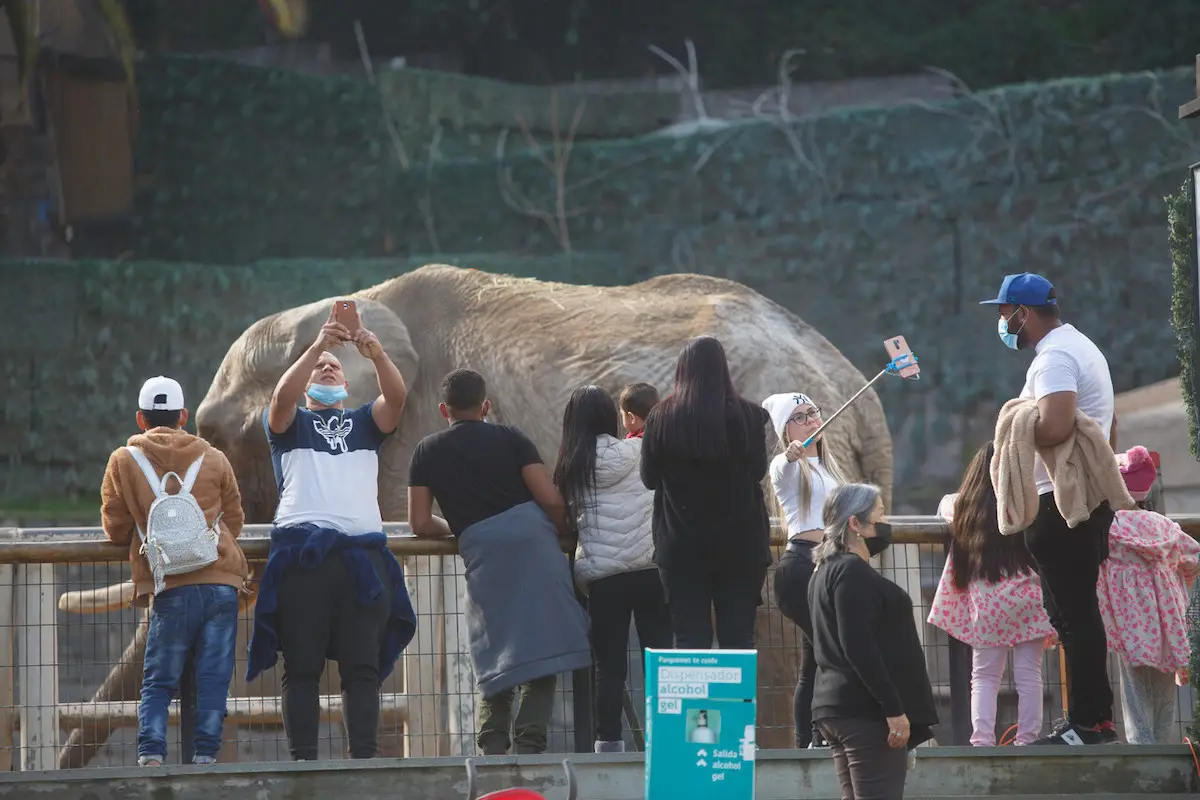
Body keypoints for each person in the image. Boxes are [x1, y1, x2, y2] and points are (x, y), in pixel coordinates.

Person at [247, 308, 417, 761]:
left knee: (363, 670)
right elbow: (281, 398)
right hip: (304, 559)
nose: (326, 368)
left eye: (335, 366)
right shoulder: (289, 425)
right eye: (320, 366)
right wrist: (318, 346)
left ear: (345, 383)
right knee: (301, 668)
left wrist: (375, 353)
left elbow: (396, 398)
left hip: (362, 562)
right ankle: (304, 764)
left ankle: (362, 762)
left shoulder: (365, 422)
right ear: (306, 383)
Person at [407, 368, 592, 756]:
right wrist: (561, 533)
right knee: (543, 645)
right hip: (534, 545)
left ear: (444, 409)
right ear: (486, 406)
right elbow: (550, 498)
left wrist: (464, 530)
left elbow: (420, 523)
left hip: (483, 552)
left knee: (495, 649)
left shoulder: (426, 451)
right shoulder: (511, 437)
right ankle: (530, 743)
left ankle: (492, 744)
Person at [981, 271, 1119, 745]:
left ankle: (1087, 724)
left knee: (1074, 616)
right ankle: (1094, 719)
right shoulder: (1078, 346)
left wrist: (1013, 429)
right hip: (1077, 501)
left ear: (1024, 312)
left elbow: (1056, 425)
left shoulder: (1055, 357)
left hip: (1060, 506)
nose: (1003, 323)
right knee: (1073, 615)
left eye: (1005, 313)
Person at [101, 376, 250, 766]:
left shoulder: (123, 461)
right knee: (214, 679)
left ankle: (151, 754)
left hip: (171, 585)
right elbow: (235, 520)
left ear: (141, 418)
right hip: (221, 582)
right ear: (184, 416)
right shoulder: (214, 458)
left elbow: (115, 527)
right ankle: (205, 757)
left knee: (159, 680)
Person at [552, 385, 673, 753]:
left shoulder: (571, 468)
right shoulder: (642, 450)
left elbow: (565, 521)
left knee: (608, 665)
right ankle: (665, 741)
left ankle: (607, 743)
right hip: (651, 569)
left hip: (603, 577)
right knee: (660, 659)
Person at [640, 335, 773, 649]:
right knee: (738, 639)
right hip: (741, 547)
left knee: (689, 640)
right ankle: (737, 686)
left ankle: (694, 686)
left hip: (681, 549)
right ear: (723, 368)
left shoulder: (660, 418)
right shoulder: (750, 416)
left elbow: (649, 479)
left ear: (682, 369)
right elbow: (758, 472)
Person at [808, 483, 937, 800]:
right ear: (855, 523)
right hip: (865, 712)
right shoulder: (851, 572)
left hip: (838, 706)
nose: (885, 522)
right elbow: (858, 645)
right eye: (880, 514)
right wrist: (893, 708)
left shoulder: (824, 572)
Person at [928, 443, 1055, 746]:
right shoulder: (1028, 502)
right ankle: (1027, 741)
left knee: (984, 676)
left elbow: (944, 505)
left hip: (987, 602)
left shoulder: (964, 507)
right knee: (1029, 673)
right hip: (1029, 598)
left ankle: (982, 740)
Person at [761, 391, 847, 748]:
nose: (812, 421)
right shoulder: (786, 467)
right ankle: (816, 736)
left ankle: (811, 740)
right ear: (786, 430)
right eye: (799, 417)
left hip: (829, 567)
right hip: (801, 567)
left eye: (813, 413)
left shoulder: (828, 467)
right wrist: (790, 454)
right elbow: (782, 467)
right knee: (830, 651)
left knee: (816, 658)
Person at [1101, 446, 1199, 744]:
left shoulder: (1109, 528)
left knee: (1135, 689)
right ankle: (1162, 746)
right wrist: (1175, 577)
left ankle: (1141, 747)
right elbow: (1194, 557)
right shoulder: (1165, 526)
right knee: (1164, 687)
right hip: (1168, 620)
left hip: (1129, 620)